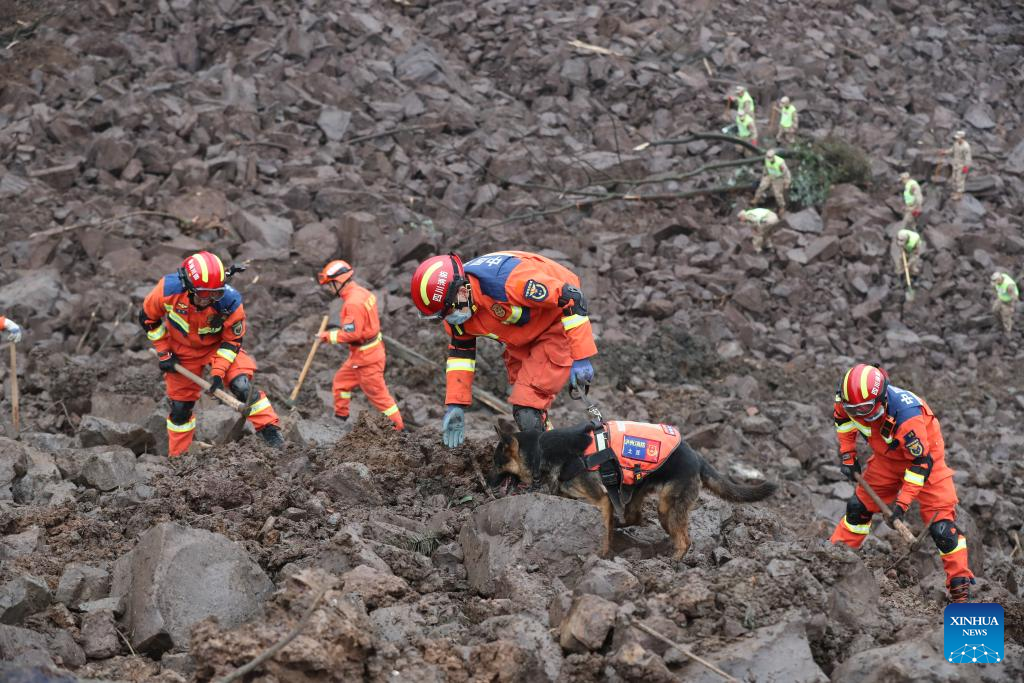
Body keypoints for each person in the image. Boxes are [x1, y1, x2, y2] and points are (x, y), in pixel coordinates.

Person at [410, 252, 597, 447]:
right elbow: (461, 355)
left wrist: (581, 356)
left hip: (557, 322)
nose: (449, 318)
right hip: (521, 335)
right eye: (443, 315)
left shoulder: (507, 282)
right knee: (528, 406)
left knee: (527, 407)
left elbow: (572, 297)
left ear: (462, 291)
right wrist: (455, 404)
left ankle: (549, 465)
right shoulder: (459, 311)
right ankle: (552, 453)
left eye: (448, 311)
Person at [830, 364, 975, 603]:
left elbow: (920, 465)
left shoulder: (908, 417)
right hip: (886, 458)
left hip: (926, 461)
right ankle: (833, 560)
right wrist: (848, 456)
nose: (858, 414)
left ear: (881, 399)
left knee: (943, 530)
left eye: (864, 409)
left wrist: (902, 506)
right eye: (852, 408)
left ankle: (960, 589)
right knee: (857, 509)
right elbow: (843, 421)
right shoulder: (848, 401)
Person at [139, 251, 283, 456]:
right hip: (182, 350)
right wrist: (164, 353)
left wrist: (218, 373)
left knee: (242, 386)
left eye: (215, 293)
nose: (209, 300)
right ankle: (179, 458)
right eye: (204, 294)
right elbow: (148, 320)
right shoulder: (167, 290)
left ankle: (271, 434)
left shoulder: (229, 302)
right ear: (188, 287)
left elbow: (232, 341)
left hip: (218, 347)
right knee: (180, 408)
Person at [317, 260, 403, 430]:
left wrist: (327, 336)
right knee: (341, 383)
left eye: (329, 284)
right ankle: (340, 418)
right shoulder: (362, 293)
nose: (328, 288)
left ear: (339, 282)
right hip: (363, 354)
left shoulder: (352, 303)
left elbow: (352, 334)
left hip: (366, 359)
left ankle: (398, 429)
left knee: (380, 397)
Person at [941, 131, 972, 201]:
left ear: (962, 138)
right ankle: (955, 192)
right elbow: (952, 150)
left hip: (962, 165)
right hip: (955, 164)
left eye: (958, 138)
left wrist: (966, 167)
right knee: (954, 178)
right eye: (956, 138)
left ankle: (959, 194)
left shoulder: (966, 147)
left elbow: (968, 158)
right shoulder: (956, 144)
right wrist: (945, 152)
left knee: (960, 180)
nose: (957, 139)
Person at [991, 271, 1019, 336]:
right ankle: (999, 324)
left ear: (999, 279)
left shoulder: (1009, 286)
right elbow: (995, 288)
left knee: (1006, 316)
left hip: (1009, 301)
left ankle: (1008, 331)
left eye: (995, 281)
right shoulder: (998, 280)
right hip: (1001, 298)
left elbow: (1015, 297)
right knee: (995, 310)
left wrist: (1012, 307)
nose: (993, 283)